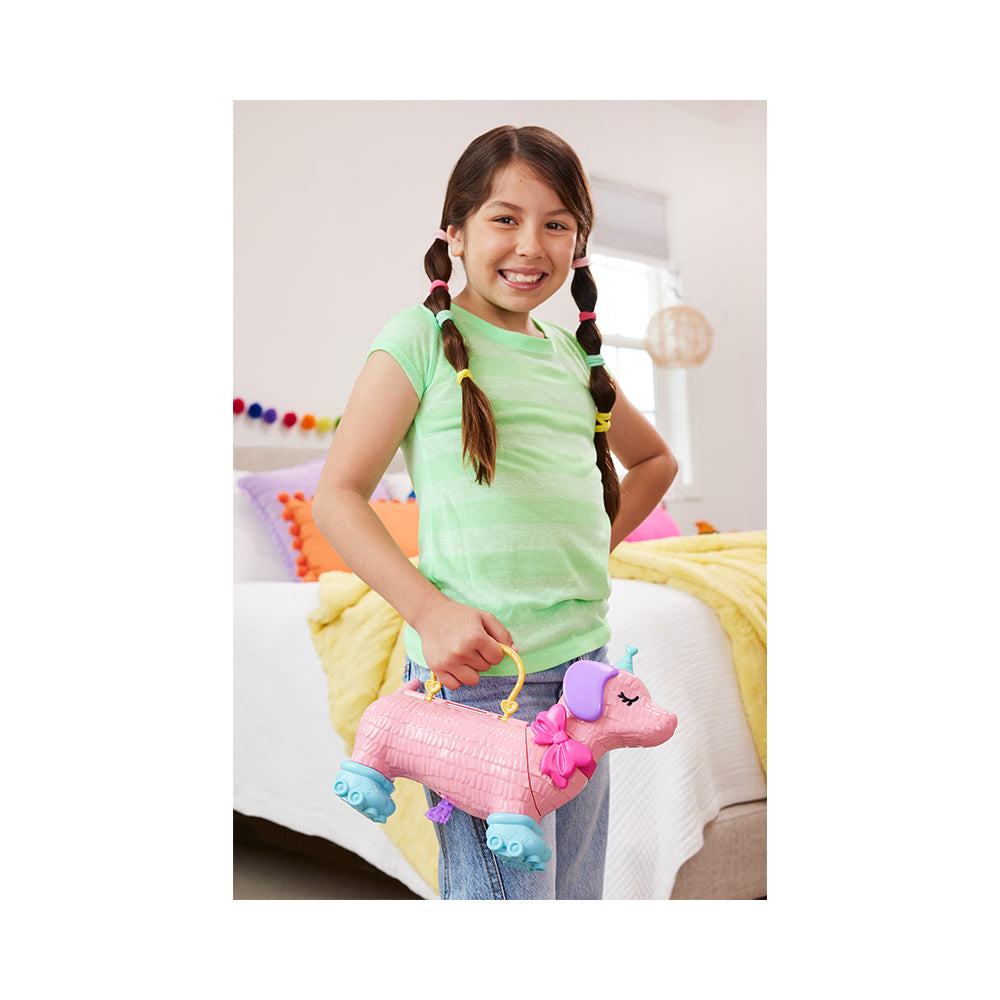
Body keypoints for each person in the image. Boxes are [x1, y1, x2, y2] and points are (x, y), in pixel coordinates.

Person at [313, 124, 678, 899]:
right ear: (455, 231)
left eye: (557, 225)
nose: (530, 245)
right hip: (483, 685)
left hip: (583, 676)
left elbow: (654, 463)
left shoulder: (574, 356)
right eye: (505, 219)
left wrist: (589, 543)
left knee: (572, 895)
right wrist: (428, 611)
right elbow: (338, 494)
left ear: (578, 244)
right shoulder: (417, 339)